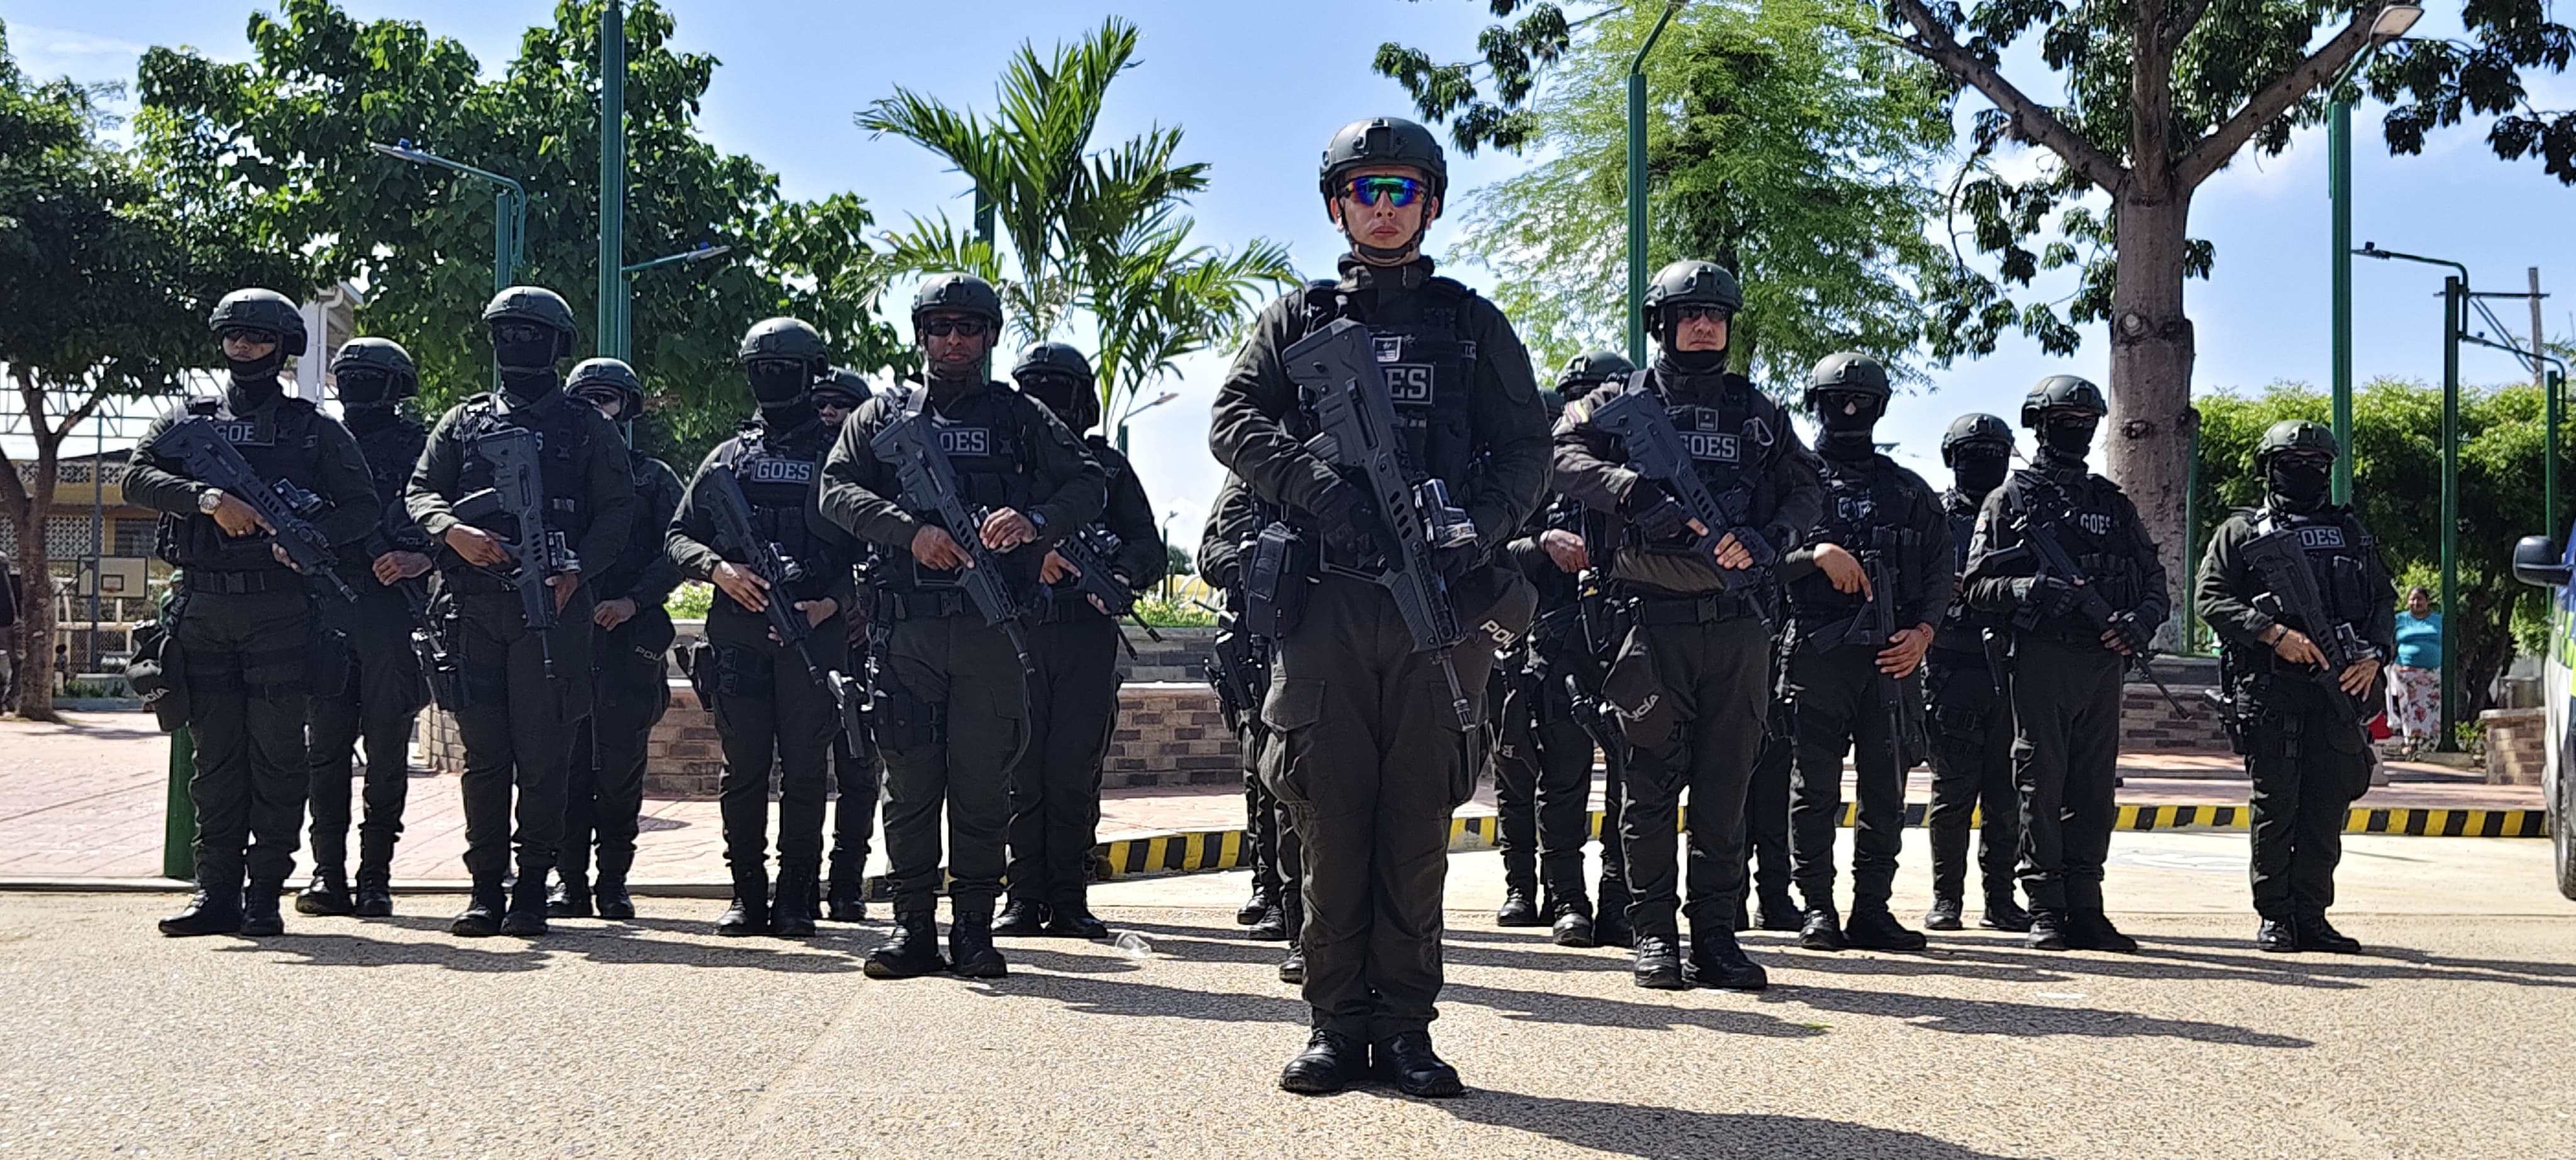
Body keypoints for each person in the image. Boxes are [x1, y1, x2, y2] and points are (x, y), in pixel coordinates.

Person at [1213, 116, 1548, 1098]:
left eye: (1403, 191)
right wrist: (1318, 489)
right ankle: (1331, 1024)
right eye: (1368, 190)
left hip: (1434, 607)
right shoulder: (1295, 318)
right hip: (1324, 603)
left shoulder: (1472, 324)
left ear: (1431, 203)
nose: (1384, 207)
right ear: (1338, 205)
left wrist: (1473, 527)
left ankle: (1404, 1027)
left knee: (1412, 821)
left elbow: (1528, 450)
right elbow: (1233, 421)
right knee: (1330, 814)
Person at [819, 273, 1105, 979]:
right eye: (940, 327)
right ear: (920, 335)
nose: (953, 340)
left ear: (988, 337)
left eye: (968, 328)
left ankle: (974, 926)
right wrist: (907, 531)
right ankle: (912, 924)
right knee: (910, 781)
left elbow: (1088, 483)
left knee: (983, 780)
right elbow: (833, 489)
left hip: (988, 629)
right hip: (907, 630)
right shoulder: (879, 415)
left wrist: (1032, 521)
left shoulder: (1020, 417)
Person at [1555, 259, 1824, 991]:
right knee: (1645, 784)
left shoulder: (1761, 412)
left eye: (1716, 314)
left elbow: (1807, 490)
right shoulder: (1618, 400)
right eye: (1689, 313)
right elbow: (1558, 454)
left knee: (1723, 785)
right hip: (1649, 622)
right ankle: (1652, 934)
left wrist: (1771, 540)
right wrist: (1631, 493)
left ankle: (1715, 934)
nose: (1703, 324)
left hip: (1737, 624)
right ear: (1661, 324)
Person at [126, 287, 380, 937]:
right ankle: (215, 891)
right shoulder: (189, 422)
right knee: (214, 759)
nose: (244, 349)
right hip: (204, 605)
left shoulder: (313, 430)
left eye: (258, 338)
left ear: (283, 347)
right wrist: (207, 498)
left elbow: (363, 508)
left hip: (279, 611)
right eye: (234, 337)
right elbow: (135, 477)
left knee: (276, 757)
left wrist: (310, 539)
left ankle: (265, 890)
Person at [406, 286, 638, 938]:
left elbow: (618, 511)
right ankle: (485, 888)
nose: (518, 345)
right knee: (485, 757)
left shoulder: (586, 427)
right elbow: (421, 491)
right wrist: (454, 532)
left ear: (557, 345)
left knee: (544, 756)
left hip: (551, 611)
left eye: (532, 334)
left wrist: (577, 569)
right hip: (473, 608)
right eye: (507, 333)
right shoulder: (463, 421)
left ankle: (533, 886)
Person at [669, 319, 862, 939]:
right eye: (763, 368)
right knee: (744, 768)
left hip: (814, 633)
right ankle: (746, 895)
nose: (773, 380)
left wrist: (828, 606)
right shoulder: (726, 458)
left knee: (806, 769)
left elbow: (875, 551)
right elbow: (677, 536)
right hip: (740, 633)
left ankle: (796, 897)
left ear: (812, 373)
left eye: (786, 368)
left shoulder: (842, 459)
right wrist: (720, 570)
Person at [1960, 374, 2165, 953]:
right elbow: (1977, 587)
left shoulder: (2112, 503)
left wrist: (2139, 622)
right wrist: (2031, 590)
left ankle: (2087, 904)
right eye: (2064, 421)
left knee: (2093, 789)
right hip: (2041, 658)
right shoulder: (2011, 501)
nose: (2076, 430)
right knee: (2039, 784)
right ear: (2040, 426)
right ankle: (2046, 905)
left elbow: (2154, 581)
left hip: (2103, 660)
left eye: (2085, 421)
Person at [2196, 420, 2392, 954]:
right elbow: (2211, 598)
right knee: (2276, 804)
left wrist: (2375, 658)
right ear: (2269, 468)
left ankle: (2312, 915)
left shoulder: (2352, 533)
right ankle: (2276, 915)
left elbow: (2382, 606)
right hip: (2272, 688)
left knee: (2326, 807)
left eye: (2315, 464)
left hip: (2340, 690)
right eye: (2292, 463)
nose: (2304, 472)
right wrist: (2272, 633)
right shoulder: (2241, 532)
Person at [1772, 353, 1948, 952]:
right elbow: (1757, 559)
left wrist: (1923, 634)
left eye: (1863, 402)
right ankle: (1817, 907)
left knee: (1886, 791)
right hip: (1818, 656)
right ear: (1815, 405)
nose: (1851, 411)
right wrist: (1815, 555)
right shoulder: (1791, 483)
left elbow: (1940, 569)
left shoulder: (1907, 490)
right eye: (1838, 401)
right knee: (1814, 789)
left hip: (1890, 660)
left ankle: (1872, 906)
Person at [994, 342, 1164, 939]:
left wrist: (1119, 577)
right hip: (1017, 632)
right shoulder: (1004, 464)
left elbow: (1148, 545)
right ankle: (1020, 897)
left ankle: (1068, 896)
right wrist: (1031, 560)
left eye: (1057, 388)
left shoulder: (1105, 468)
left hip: (1087, 633)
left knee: (1072, 769)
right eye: (1033, 386)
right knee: (1019, 770)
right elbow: (970, 533)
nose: (1045, 401)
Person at [1494, 349, 1633, 947]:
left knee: (1634, 783)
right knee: (1563, 781)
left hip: (1629, 640)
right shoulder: (1535, 472)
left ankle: (1619, 901)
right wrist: (1542, 542)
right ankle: (1567, 900)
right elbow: (1491, 550)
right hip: (1558, 646)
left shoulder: (1639, 474)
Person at [297, 337, 433, 920]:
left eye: (368, 377)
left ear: (395, 386)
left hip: (391, 610)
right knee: (324, 749)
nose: (355, 388)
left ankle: (376, 876)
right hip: (326, 607)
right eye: (347, 376)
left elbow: (455, 517)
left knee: (386, 749)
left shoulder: (423, 448)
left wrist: (422, 558)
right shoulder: (315, 439)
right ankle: (328, 874)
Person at [553, 359, 684, 920]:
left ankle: (613, 882)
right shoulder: (553, 475)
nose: (597, 410)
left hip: (630, 636)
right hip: (567, 635)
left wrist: (634, 600)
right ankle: (569, 883)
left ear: (625, 409)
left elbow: (680, 548)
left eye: (608, 400)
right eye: (586, 400)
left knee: (620, 765)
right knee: (563, 766)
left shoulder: (653, 478)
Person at [1922, 413, 2029, 933]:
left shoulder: (2021, 515)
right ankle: (1947, 899)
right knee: (1953, 794)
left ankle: (2001, 899)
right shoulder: (1935, 517)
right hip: (1950, 665)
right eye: (1972, 453)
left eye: (1993, 453)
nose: (1983, 463)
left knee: (2005, 796)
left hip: (2009, 665)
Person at [1201, 476, 1302, 967]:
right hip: (1253, 645)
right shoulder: (1245, 484)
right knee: (1260, 779)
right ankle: (1271, 890)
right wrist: (1252, 565)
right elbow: (1210, 549)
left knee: (1293, 786)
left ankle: (1296, 903)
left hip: (1306, 634)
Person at [814, 367, 886, 922]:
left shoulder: (878, 472)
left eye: (843, 406)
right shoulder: (807, 472)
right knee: (805, 767)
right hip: (807, 638)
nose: (830, 415)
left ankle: (845, 883)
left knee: (860, 766)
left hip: (867, 641)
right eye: (823, 405)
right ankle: (797, 882)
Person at [2386, 586, 2441, 754]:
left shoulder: (2439, 620)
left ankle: (2431, 743)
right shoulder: (2399, 620)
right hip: (2405, 673)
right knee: (2408, 707)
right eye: (2412, 599)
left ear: (2427, 601)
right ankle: (2411, 742)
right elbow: (2389, 642)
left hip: (2433, 673)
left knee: (2432, 707)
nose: (2416, 603)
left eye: (2420, 599)